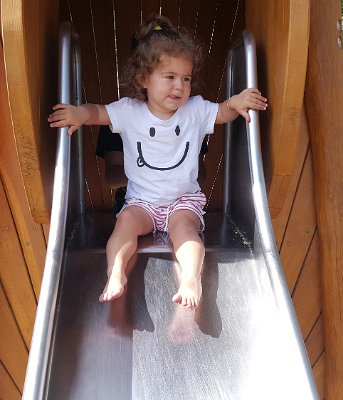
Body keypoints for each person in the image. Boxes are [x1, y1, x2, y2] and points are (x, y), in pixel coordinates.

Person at [48, 15, 267, 308]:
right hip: (142, 202)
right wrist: (79, 114)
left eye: (186, 78)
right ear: (144, 79)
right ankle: (115, 272)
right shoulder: (129, 111)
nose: (179, 86)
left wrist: (235, 102)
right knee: (125, 224)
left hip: (182, 201)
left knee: (186, 232)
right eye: (170, 77)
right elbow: (98, 112)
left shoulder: (195, 110)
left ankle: (191, 278)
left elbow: (221, 112)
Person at [96, 124, 209, 212]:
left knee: (185, 231)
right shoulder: (119, 116)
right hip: (135, 201)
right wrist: (161, 175)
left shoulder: (189, 118)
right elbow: (113, 179)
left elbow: (199, 175)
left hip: (181, 202)